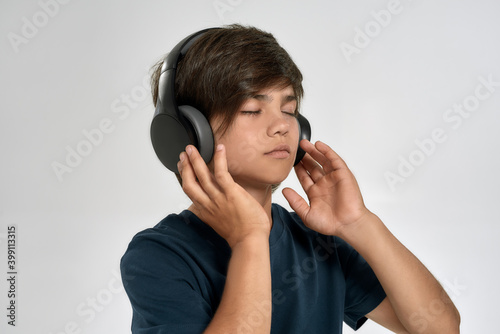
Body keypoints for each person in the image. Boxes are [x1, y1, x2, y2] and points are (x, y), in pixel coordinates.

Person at [121, 25, 460, 333]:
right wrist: (249, 241)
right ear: (189, 133)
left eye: (289, 108)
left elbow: (440, 328)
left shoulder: (317, 242)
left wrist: (359, 223)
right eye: (252, 110)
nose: (281, 125)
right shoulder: (158, 255)